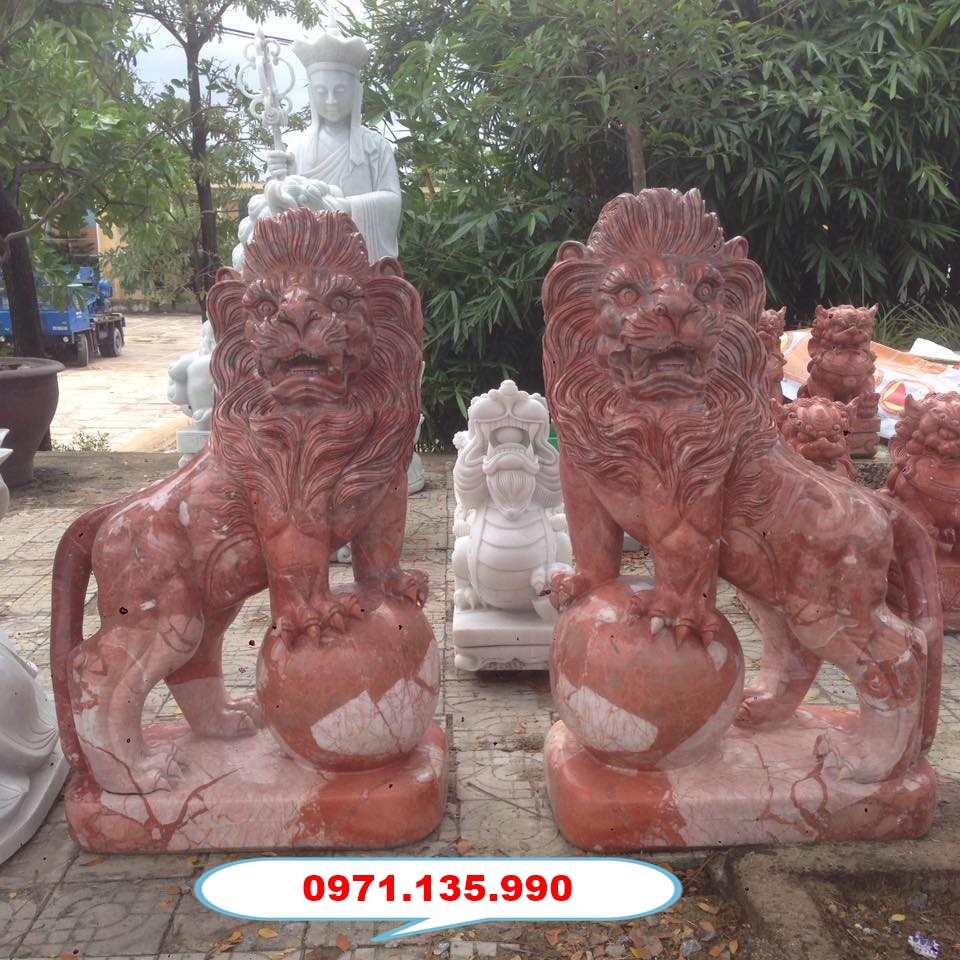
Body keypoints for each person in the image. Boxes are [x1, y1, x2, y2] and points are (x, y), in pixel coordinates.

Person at [234, 19, 401, 267]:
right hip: (308, 266)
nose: (331, 100)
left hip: (357, 263)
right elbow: (286, 210)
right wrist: (278, 181)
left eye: (340, 91)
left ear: (355, 91)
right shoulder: (298, 146)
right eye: (322, 92)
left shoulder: (376, 146)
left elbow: (392, 202)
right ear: (312, 93)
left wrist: (344, 208)